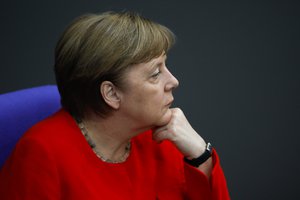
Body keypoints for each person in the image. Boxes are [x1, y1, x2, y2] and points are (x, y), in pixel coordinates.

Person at [0, 11, 230, 199]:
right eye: (155, 73)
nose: (173, 81)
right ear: (111, 93)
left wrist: (200, 155)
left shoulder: (160, 138)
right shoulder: (40, 155)